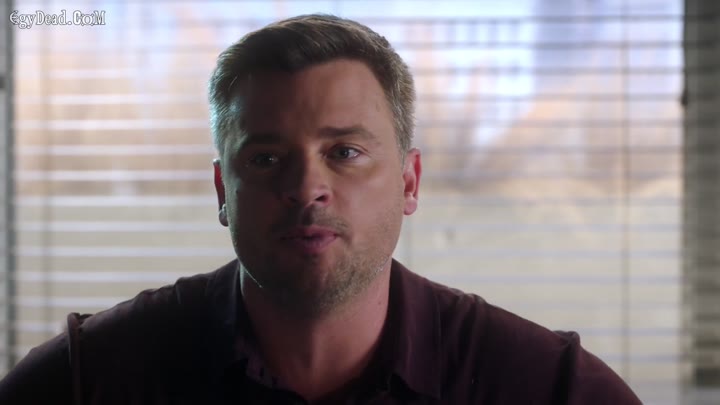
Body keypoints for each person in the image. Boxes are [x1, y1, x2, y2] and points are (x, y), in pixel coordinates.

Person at [0, 14, 641, 404]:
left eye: (345, 152)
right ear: (223, 191)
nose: (308, 187)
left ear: (410, 181)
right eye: (266, 158)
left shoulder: (548, 386)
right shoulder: (90, 380)